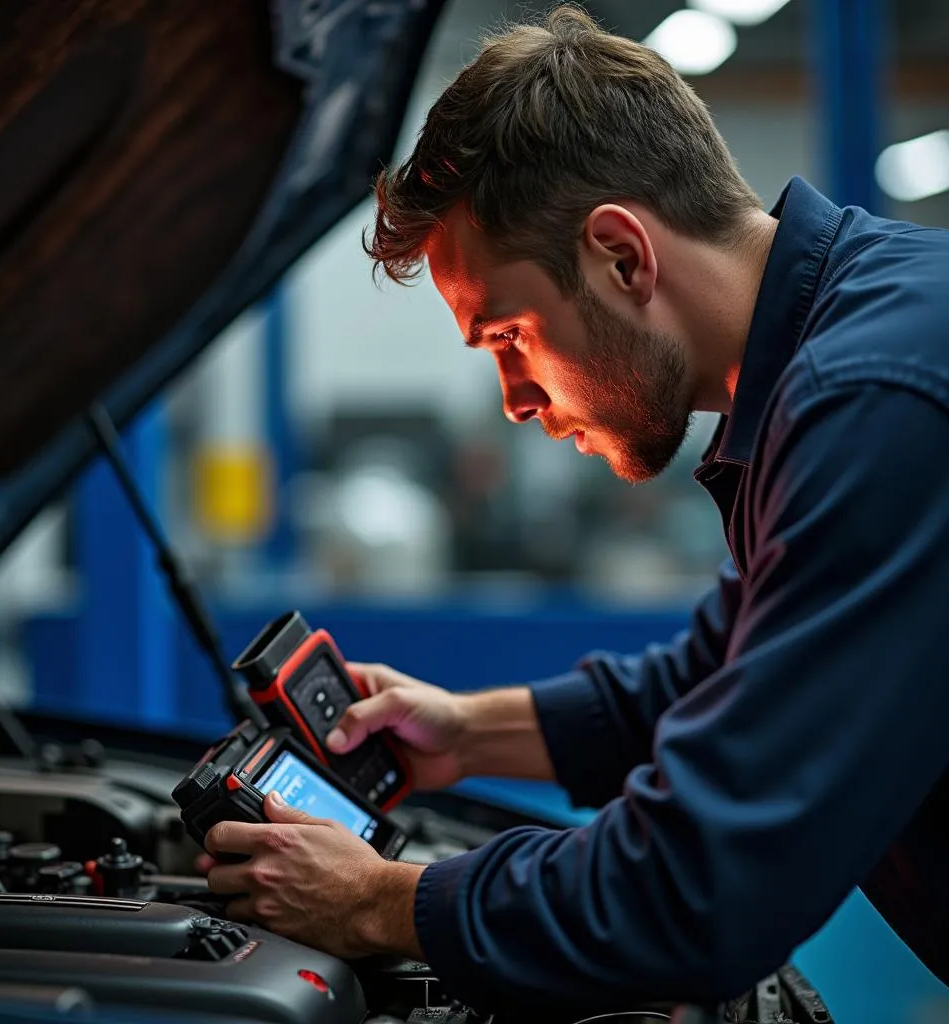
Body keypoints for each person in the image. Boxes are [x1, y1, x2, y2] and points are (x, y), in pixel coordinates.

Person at [202, 4, 949, 1012]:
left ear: (622, 255)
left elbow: (700, 892)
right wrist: (464, 733)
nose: (513, 401)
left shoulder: (877, 404)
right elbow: (717, 673)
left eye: (509, 336)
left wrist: (382, 902)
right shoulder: (840, 358)